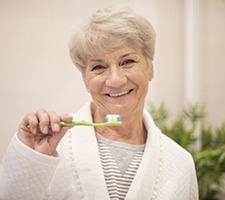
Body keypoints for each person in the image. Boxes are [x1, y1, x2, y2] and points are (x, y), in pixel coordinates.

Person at [0, 5, 198, 200]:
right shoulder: (47, 149)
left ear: (150, 69)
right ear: (86, 80)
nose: (115, 80)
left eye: (127, 62)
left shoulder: (180, 164)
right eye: (98, 67)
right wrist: (31, 160)